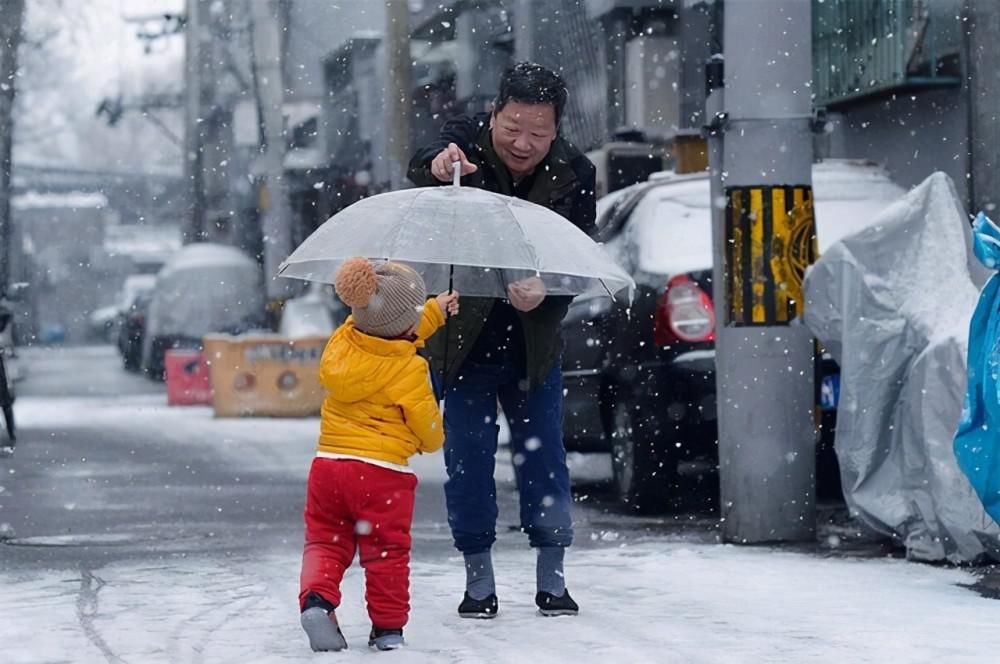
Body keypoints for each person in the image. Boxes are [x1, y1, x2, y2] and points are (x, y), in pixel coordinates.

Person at [407, 62, 597, 619]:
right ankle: (479, 583)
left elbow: (580, 258)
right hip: (463, 345)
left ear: (557, 129)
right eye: (512, 127)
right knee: (468, 463)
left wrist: (550, 288)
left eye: (539, 133)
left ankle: (553, 580)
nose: (523, 143)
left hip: (533, 350)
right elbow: (424, 163)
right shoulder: (464, 148)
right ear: (495, 114)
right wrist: (441, 165)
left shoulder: (575, 172)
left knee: (546, 462)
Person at [298, 257, 460, 652]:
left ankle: (317, 601)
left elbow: (389, 328)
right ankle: (387, 628)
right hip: (382, 474)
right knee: (387, 552)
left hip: (329, 465)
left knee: (325, 541)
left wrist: (434, 312)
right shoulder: (410, 369)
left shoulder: (344, 339)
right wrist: (429, 438)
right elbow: (430, 432)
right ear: (407, 325)